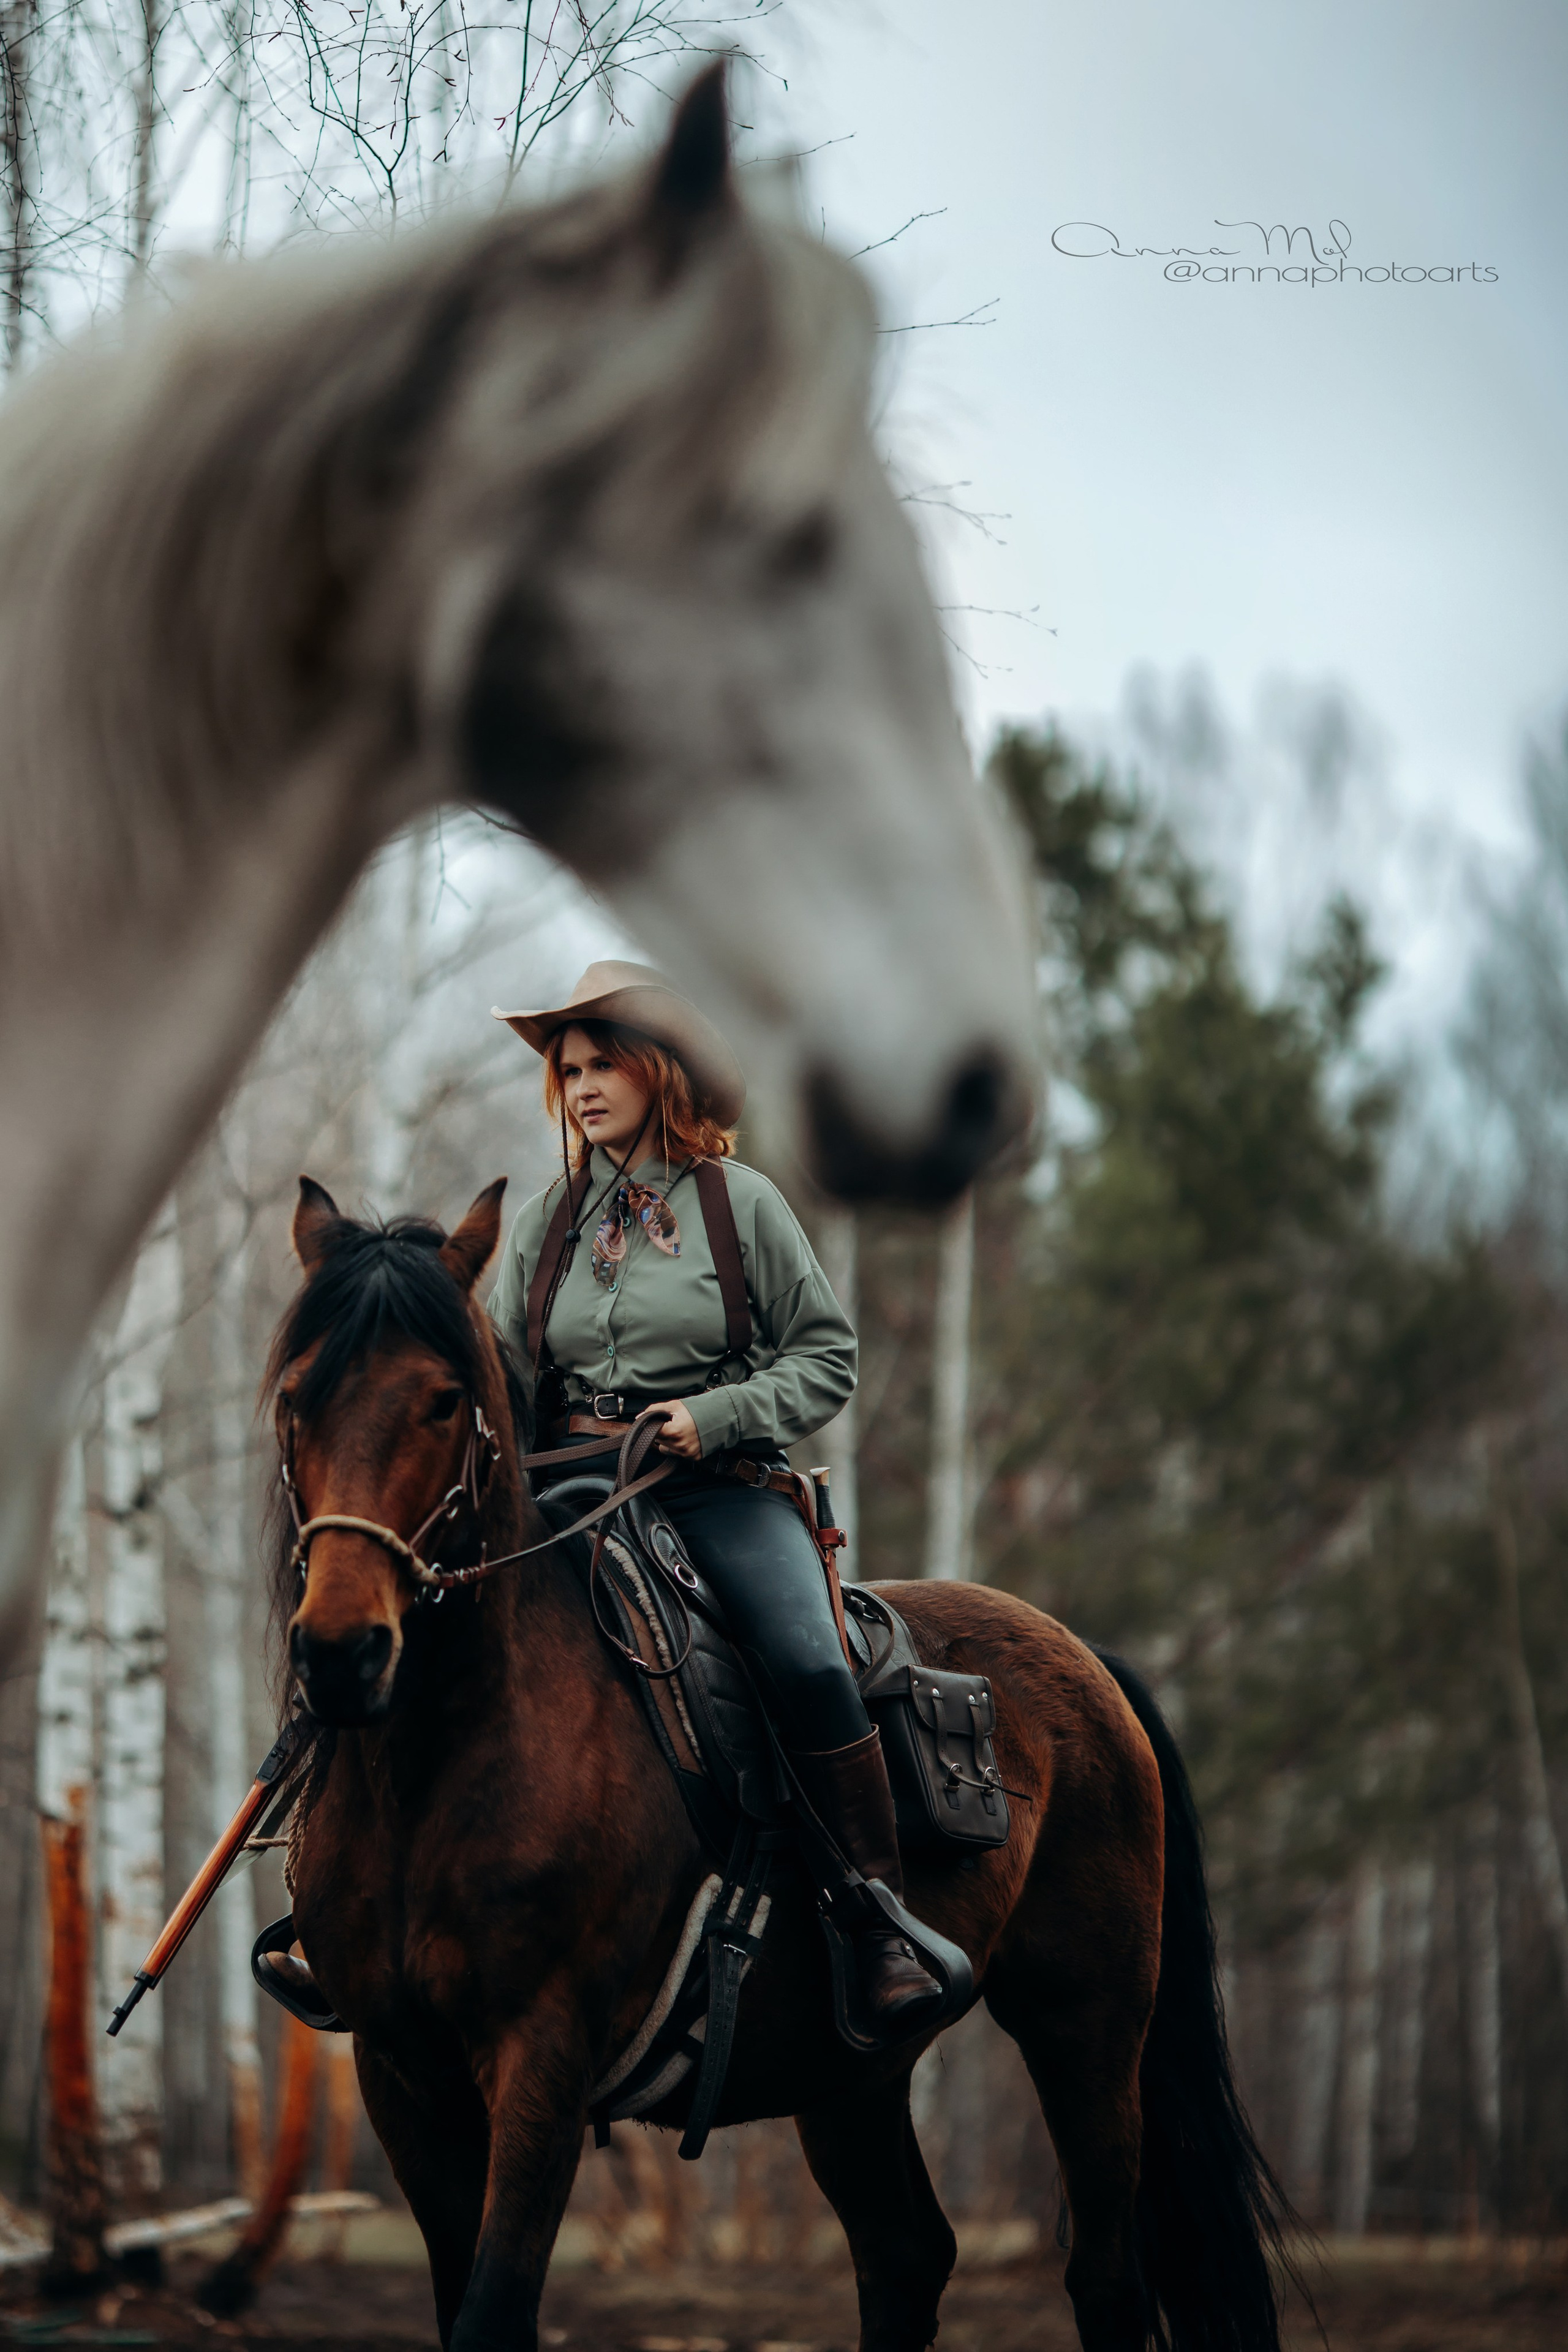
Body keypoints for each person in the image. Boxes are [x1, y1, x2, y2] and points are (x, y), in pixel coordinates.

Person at [488, 960, 944, 2037]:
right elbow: (504, 1370)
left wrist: (719, 1416)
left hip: (711, 1488)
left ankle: (874, 1920)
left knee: (801, 1654)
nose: (584, 1085)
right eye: (570, 1068)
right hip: (561, 1490)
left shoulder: (742, 1207)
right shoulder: (547, 1222)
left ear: (659, 1072)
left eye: (604, 1063)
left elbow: (826, 1360)